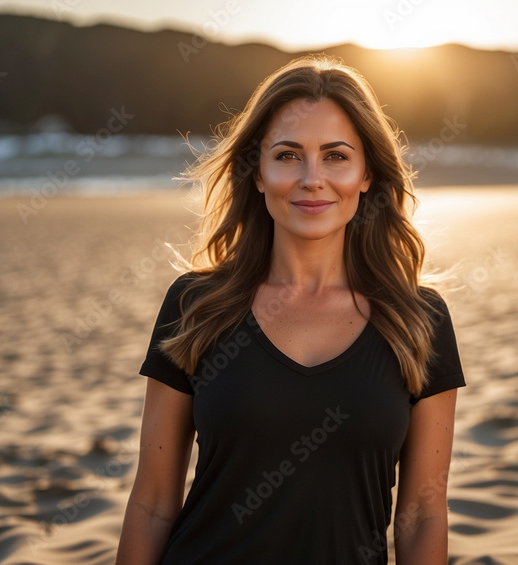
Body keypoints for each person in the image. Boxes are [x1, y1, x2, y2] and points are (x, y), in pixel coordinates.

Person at [115, 54, 466, 565]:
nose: (311, 178)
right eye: (286, 155)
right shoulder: (197, 306)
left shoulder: (418, 320)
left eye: (336, 156)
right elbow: (151, 503)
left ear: (367, 174)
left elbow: (422, 513)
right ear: (257, 173)